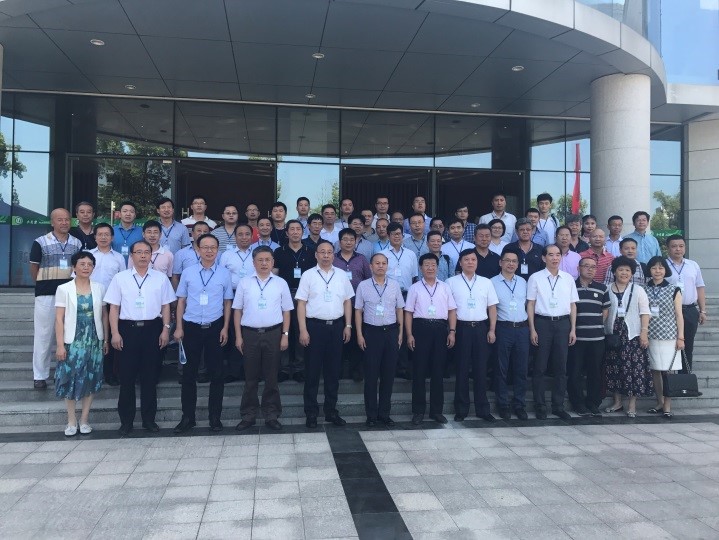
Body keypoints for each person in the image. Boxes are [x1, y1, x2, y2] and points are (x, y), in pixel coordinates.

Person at [104, 240, 176, 436]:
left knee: (150, 378)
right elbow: (114, 308)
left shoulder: (160, 278)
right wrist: (115, 333)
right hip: (127, 330)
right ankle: (126, 422)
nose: (143, 255)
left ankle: (148, 420)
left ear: (151, 256)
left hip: (153, 330)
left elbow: (166, 306)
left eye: (146, 252)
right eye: (139, 252)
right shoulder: (120, 278)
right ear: (132, 256)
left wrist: (166, 330)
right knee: (126, 378)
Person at [173, 234, 233, 434]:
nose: (209, 251)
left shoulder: (224, 273)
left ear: (218, 250)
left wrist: (225, 328)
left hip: (215, 327)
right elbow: (181, 301)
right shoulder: (188, 272)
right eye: (205, 247)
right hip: (191, 327)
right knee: (189, 375)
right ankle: (187, 417)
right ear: (198, 249)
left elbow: (227, 302)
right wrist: (179, 327)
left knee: (217, 374)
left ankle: (215, 417)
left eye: (213, 247)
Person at [295, 240, 354, 428]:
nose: (326, 255)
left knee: (333, 372)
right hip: (315, 327)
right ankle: (311, 413)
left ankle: (331, 411)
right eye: (322, 252)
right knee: (312, 372)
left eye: (329, 252)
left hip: (336, 327)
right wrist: (303, 329)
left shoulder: (341, 275)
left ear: (333, 255)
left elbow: (347, 301)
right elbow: (301, 303)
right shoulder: (308, 275)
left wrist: (348, 325)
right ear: (316, 255)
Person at [234, 246, 293, 431]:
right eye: (260, 260)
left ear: (273, 262)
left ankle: (271, 415)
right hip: (250, 334)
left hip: (273, 333)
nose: (264, 263)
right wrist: (238, 336)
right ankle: (248, 415)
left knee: (271, 377)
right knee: (250, 378)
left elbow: (286, 311)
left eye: (268, 260)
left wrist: (285, 335)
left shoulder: (280, 283)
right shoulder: (244, 283)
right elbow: (237, 311)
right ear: (253, 263)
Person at [54, 251, 108, 435]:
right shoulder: (64, 289)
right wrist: (60, 345)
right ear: (74, 267)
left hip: (94, 339)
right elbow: (59, 319)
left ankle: (84, 419)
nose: (86, 267)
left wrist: (106, 339)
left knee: (91, 377)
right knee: (69, 377)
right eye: (82, 264)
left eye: (89, 264)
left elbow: (104, 315)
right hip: (72, 340)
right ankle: (71, 421)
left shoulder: (99, 288)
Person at [30, 208, 83, 389]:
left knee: (69, 334)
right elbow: (34, 268)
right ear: (52, 222)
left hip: (69, 294)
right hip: (46, 294)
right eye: (59, 220)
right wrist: (43, 283)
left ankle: (65, 373)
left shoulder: (77, 243)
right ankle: (40, 375)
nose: (64, 223)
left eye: (67, 219)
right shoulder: (40, 242)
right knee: (44, 334)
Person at [527, 244, 578, 420]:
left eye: (557, 255)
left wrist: (573, 329)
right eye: (550, 255)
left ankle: (558, 405)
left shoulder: (568, 278)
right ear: (544, 258)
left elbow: (573, 305)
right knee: (540, 367)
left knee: (561, 367)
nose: (555, 258)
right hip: (542, 323)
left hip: (563, 324)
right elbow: (531, 304)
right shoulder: (535, 278)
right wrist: (532, 329)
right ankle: (540, 405)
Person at [405, 253, 457, 425]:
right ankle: (418, 411)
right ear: (421, 268)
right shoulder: (414, 288)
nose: (430, 268)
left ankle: (436, 411)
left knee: (438, 371)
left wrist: (452, 331)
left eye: (433, 265)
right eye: (426, 265)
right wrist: (409, 334)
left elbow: (452, 311)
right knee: (419, 371)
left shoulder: (445, 287)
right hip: (420, 328)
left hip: (440, 329)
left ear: (437, 267)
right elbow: (408, 313)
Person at [448, 249, 498, 422]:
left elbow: (492, 307)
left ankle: (483, 409)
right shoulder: (451, 282)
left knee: (481, 369)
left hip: (481, 328)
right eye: (466, 259)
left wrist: (492, 329)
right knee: (462, 369)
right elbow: (450, 309)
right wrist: (452, 331)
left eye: (473, 259)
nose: (470, 262)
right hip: (461, 328)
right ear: (460, 262)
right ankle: (461, 409)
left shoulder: (486, 282)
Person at [355, 253, 405, 427]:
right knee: (371, 376)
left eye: (384, 263)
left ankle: (384, 414)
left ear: (387, 266)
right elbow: (358, 311)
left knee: (388, 375)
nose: (381, 266)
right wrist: (359, 334)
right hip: (371, 332)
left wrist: (400, 333)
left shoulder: (394, 285)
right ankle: (371, 415)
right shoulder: (363, 285)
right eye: (377, 263)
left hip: (391, 332)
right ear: (370, 266)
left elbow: (400, 309)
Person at [603, 256, 653, 417]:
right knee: (614, 368)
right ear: (614, 272)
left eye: (627, 270)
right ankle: (617, 402)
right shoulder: (606, 289)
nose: (624, 273)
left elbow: (645, 312)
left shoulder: (638, 290)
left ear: (632, 273)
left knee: (634, 369)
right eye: (620, 270)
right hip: (613, 335)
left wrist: (644, 332)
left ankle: (632, 404)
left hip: (633, 335)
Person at [273, 220, 315, 383]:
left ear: (303, 232)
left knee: (300, 330)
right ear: (287, 233)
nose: (295, 232)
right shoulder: (279, 252)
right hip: (284, 294)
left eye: (298, 229)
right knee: (283, 330)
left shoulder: (311, 252)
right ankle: (283, 368)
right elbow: (274, 275)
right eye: (292, 229)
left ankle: (299, 367)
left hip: (304, 297)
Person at [491, 247, 530, 420]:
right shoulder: (492, 282)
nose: (511, 264)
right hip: (503, 328)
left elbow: (528, 305)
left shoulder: (523, 282)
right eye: (507, 260)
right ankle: (503, 404)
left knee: (521, 369)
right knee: (501, 369)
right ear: (501, 262)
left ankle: (519, 404)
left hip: (522, 329)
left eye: (514, 261)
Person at [568, 256, 610, 417]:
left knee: (595, 373)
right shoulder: (571, 287)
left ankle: (593, 403)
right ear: (578, 268)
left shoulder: (602, 288)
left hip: (597, 339)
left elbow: (605, 311)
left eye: (593, 267)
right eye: (586, 266)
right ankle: (578, 403)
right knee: (575, 372)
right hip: (576, 338)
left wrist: (595, 324)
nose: (590, 269)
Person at [645, 256, 684, 418]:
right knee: (655, 370)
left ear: (665, 270)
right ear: (649, 270)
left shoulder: (674, 289)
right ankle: (659, 402)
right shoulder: (643, 289)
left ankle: (667, 404)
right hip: (650, 335)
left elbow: (679, 315)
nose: (657, 271)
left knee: (668, 372)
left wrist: (681, 337)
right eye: (654, 268)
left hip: (669, 336)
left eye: (661, 268)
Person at [88, 223, 125, 387]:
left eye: (107, 234)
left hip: (111, 304)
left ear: (112, 237)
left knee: (109, 339)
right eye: (100, 234)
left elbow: (123, 281)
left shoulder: (118, 258)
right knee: (91, 337)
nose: (103, 237)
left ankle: (110, 373)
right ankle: (91, 373)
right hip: (90, 301)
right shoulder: (88, 255)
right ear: (95, 237)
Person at [665, 234, 707, 373]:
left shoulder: (693, 265)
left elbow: (700, 287)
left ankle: (685, 379)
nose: (678, 249)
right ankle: (668, 380)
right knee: (668, 346)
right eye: (674, 246)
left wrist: (702, 310)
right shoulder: (662, 266)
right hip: (669, 312)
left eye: (681, 246)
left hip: (689, 310)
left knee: (687, 346)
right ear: (668, 248)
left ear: (685, 247)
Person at [334, 228, 371, 381]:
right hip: (337, 306)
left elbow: (368, 280)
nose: (348, 242)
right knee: (339, 340)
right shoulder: (333, 259)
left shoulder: (361, 259)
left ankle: (356, 370)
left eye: (351, 239)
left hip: (357, 306)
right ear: (339, 242)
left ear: (356, 241)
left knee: (356, 338)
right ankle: (339, 370)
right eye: (345, 239)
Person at [382, 222, 418, 295]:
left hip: (407, 294)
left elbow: (414, 277)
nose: (396, 236)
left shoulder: (411, 254)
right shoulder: (382, 255)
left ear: (403, 235)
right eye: (393, 234)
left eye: (399, 234)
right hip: (388, 294)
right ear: (388, 236)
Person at [172, 221, 210, 289]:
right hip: (187, 292)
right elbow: (176, 277)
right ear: (192, 234)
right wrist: (178, 294)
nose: (202, 233)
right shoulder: (181, 253)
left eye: (205, 231)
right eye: (199, 231)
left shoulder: (216, 254)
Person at [220, 223, 255, 290]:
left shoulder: (257, 254)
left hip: (253, 292)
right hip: (231, 292)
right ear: (235, 237)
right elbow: (221, 276)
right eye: (240, 234)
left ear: (252, 236)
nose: (244, 237)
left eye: (247, 234)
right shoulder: (226, 255)